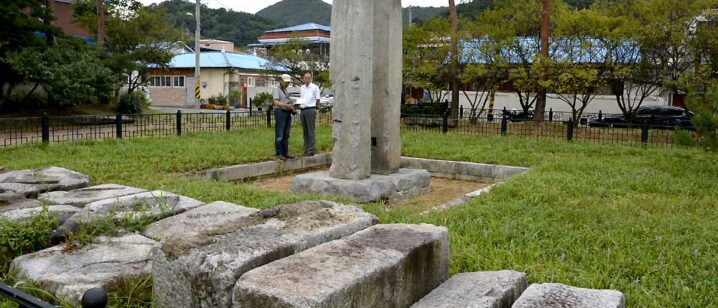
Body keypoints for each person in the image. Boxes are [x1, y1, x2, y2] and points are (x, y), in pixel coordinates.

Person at [298, 72, 321, 157]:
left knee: (311, 130)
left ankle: (311, 150)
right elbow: (301, 98)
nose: (306, 80)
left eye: (308, 78)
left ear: (311, 78)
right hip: (303, 109)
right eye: (305, 78)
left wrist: (316, 108)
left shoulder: (315, 87)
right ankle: (306, 148)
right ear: (303, 78)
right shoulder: (302, 88)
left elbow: (317, 99)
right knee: (305, 131)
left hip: (310, 109)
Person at [273, 74, 295, 160]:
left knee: (286, 134)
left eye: (288, 83)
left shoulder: (285, 90)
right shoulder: (276, 89)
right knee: (280, 134)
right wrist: (286, 105)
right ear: (281, 81)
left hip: (287, 112)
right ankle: (279, 153)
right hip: (280, 112)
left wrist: (291, 105)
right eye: (286, 82)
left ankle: (285, 152)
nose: (287, 84)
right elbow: (276, 102)